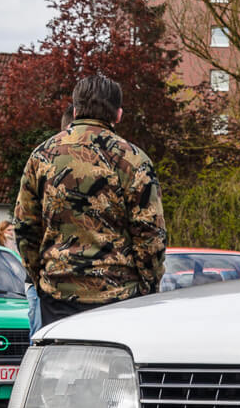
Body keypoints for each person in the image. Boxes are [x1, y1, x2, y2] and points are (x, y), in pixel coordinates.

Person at [14, 74, 166, 326]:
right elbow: (150, 236)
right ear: (118, 114)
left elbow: (24, 228)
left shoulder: (42, 156)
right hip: (119, 296)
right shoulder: (134, 160)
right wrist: (148, 288)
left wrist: (41, 278)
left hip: (58, 293)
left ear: (75, 111)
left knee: (62, 364)